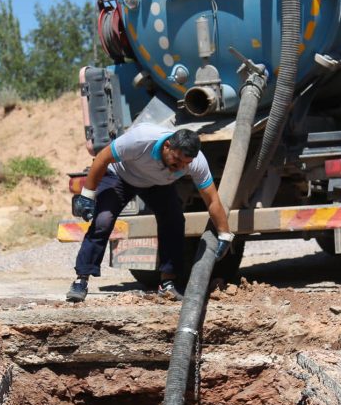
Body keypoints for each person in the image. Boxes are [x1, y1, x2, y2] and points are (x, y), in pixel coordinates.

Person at [68, 124, 234, 302]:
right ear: (167, 146)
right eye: (176, 161)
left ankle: (167, 284)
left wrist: (225, 234)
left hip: (157, 185)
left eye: (186, 164)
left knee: (174, 221)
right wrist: (87, 195)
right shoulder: (141, 139)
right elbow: (102, 158)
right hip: (121, 176)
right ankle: (81, 280)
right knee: (103, 221)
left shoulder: (196, 162)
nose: (180, 168)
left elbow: (212, 199)